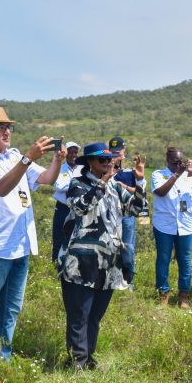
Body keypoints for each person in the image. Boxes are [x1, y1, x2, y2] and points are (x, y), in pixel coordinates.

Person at [0, 106, 62, 383]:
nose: (7, 131)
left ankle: (2, 360)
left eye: (9, 126)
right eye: (0, 127)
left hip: (20, 244)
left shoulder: (14, 155)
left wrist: (57, 159)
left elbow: (46, 179)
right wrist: (26, 158)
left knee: (10, 309)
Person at [57, 143, 145, 370]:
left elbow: (137, 209)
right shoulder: (78, 184)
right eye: (102, 161)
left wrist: (140, 182)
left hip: (108, 263)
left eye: (109, 160)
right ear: (90, 163)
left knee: (95, 315)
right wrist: (103, 182)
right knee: (79, 314)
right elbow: (79, 208)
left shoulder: (116, 187)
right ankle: (76, 360)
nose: (108, 164)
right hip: (80, 262)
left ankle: (88, 357)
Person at [151, 147, 192, 309]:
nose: (179, 165)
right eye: (175, 162)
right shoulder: (158, 174)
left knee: (185, 261)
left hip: (186, 225)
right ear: (167, 161)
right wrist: (176, 174)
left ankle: (184, 296)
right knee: (163, 259)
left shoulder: (189, 178)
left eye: (181, 162)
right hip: (164, 225)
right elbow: (160, 192)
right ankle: (163, 295)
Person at [108, 136, 146, 285]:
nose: (117, 155)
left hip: (127, 214)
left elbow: (139, 191)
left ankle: (128, 282)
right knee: (111, 247)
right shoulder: (106, 167)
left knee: (128, 248)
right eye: (113, 152)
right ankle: (113, 280)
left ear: (124, 150)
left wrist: (123, 187)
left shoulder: (131, 168)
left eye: (119, 152)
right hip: (111, 213)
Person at [52, 141, 81, 262]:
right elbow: (58, 186)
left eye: (75, 152)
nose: (73, 154)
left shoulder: (83, 169)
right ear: (65, 153)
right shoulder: (59, 168)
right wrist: (76, 185)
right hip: (63, 208)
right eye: (70, 152)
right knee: (59, 237)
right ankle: (55, 266)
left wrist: (69, 185)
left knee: (77, 238)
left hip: (78, 208)